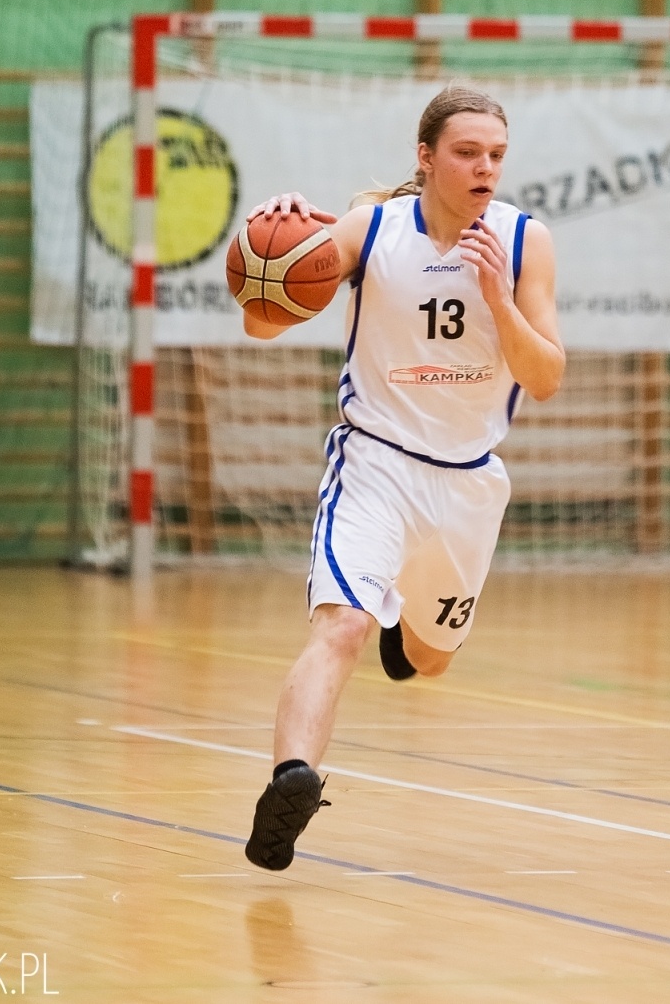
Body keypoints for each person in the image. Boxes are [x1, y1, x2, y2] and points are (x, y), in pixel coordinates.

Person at [242, 85, 565, 871]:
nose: (484, 167)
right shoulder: (374, 227)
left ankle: (406, 630)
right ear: (425, 158)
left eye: (495, 154)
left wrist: (496, 296)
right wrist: (273, 251)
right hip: (374, 464)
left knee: (429, 661)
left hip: (467, 484)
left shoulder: (525, 242)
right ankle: (291, 782)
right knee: (340, 626)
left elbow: (547, 374)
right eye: (466, 152)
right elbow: (261, 319)